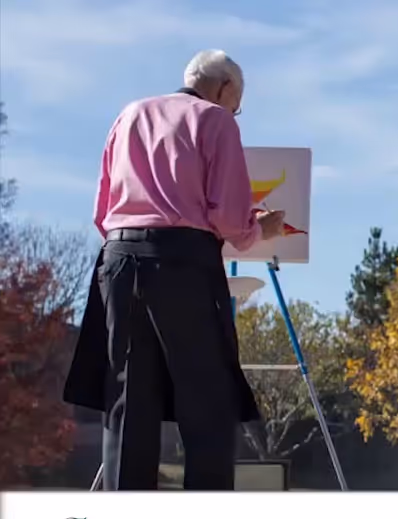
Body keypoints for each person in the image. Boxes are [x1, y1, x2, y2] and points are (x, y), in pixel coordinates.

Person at [63, 49, 285, 490]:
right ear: (223, 89)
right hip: (183, 263)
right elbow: (227, 218)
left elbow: (102, 210)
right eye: (236, 103)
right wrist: (257, 229)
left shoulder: (129, 115)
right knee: (206, 397)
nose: (234, 112)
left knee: (129, 399)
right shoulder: (216, 121)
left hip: (119, 260)